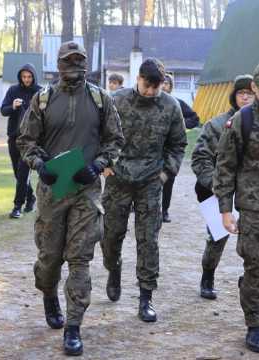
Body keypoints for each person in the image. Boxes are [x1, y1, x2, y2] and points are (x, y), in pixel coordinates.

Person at [16, 41, 124, 356]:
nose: (74, 66)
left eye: (79, 61)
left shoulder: (100, 99)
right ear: (60, 64)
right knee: (49, 258)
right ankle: (49, 293)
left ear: (86, 64)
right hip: (52, 191)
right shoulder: (43, 99)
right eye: (68, 61)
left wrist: (98, 166)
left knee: (80, 258)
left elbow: (115, 140)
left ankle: (73, 326)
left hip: (86, 193)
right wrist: (40, 166)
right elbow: (25, 139)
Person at [101, 58, 187, 322]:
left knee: (149, 240)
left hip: (150, 183)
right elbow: (97, 135)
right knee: (111, 236)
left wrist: (164, 174)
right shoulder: (116, 101)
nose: (151, 91)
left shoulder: (171, 106)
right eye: (147, 85)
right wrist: (104, 164)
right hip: (118, 180)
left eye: (156, 87)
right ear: (138, 79)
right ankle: (113, 269)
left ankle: (146, 297)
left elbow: (178, 144)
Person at [213, 61, 259, 353]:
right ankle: (255, 326)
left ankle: (257, 290)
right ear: (253, 88)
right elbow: (225, 167)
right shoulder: (241, 121)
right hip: (253, 208)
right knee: (256, 265)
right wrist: (225, 210)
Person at [191, 75, 254, 300]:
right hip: (221, 194)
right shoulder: (217, 125)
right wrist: (215, 184)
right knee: (217, 238)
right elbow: (200, 157)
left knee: (256, 243)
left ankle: (253, 284)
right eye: (241, 93)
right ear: (233, 96)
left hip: (253, 195)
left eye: (250, 93)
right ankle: (208, 276)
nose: (245, 97)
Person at [0, 64, 41, 218]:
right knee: (18, 174)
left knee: (23, 173)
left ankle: (17, 206)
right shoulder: (13, 91)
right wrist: (13, 106)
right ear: (20, 77)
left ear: (33, 77)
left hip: (31, 140)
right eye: (24, 77)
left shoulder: (40, 91)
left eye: (29, 77)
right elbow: (3, 111)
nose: (26, 80)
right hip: (14, 137)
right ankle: (30, 197)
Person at [161, 73, 199, 222]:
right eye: (162, 82)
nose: (164, 85)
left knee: (168, 180)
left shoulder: (178, 103)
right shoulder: (150, 102)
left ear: (171, 86)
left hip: (171, 150)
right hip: (152, 149)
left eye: (167, 83)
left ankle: (164, 210)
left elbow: (195, 119)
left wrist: (182, 125)